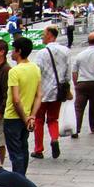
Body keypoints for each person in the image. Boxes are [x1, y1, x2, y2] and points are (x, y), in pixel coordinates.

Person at [3, 35, 41, 175]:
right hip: (27, 116)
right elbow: (38, 96)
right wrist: (32, 116)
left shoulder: (14, 71)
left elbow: (16, 99)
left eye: (13, 50)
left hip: (13, 117)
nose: (11, 52)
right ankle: (22, 177)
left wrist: (25, 118)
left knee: (15, 152)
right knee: (24, 148)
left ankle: (18, 180)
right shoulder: (35, 68)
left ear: (18, 51)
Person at [33, 27, 70, 160]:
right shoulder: (66, 51)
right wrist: (67, 89)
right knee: (53, 119)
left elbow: (37, 72)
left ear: (49, 35)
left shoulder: (41, 53)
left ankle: (38, 149)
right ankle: (54, 138)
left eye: (43, 34)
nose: (42, 37)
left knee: (38, 120)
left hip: (42, 91)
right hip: (58, 91)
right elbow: (68, 72)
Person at [69, 32, 94, 137]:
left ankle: (76, 129)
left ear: (88, 41)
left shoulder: (80, 55)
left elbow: (74, 71)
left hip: (82, 83)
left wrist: (76, 83)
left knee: (78, 107)